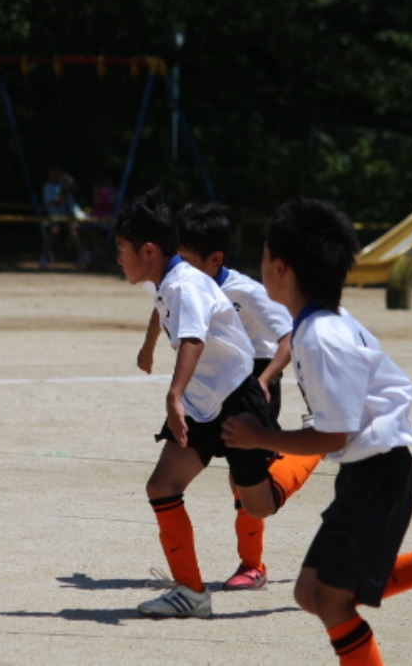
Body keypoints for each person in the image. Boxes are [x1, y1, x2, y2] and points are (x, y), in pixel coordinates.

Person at [222, 197, 412, 665]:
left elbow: (334, 437)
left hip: (380, 475)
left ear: (280, 268)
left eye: (264, 255)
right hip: (366, 475)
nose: (260, 265)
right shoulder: (317, 326)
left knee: (330, 599)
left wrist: (259, 437)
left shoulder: (322, 336)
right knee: (309, 592)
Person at [114, 189, 307, 619]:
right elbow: (169, 320)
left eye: (122, 249)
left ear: (149, 251)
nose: (118, 258)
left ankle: (312, 446)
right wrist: (152, 354)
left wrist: (174, 395)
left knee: (257, 503)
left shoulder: (185, 284)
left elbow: (193, 340)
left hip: (236, 400)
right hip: (204, 402)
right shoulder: (169, 282)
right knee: (162, 486)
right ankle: (192, 592)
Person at [40, 166, 86, 268]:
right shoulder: (47, 186)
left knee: (76, 228)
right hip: (54, 216)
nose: (55, 175)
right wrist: (65, 189)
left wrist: (68, 179)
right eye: (53, 172)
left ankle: (83, 254)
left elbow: (76, 189)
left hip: (67, 215)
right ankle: (43, 258)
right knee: (54, 231)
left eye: (57, 172)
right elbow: (57, 201)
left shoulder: (62, 183)